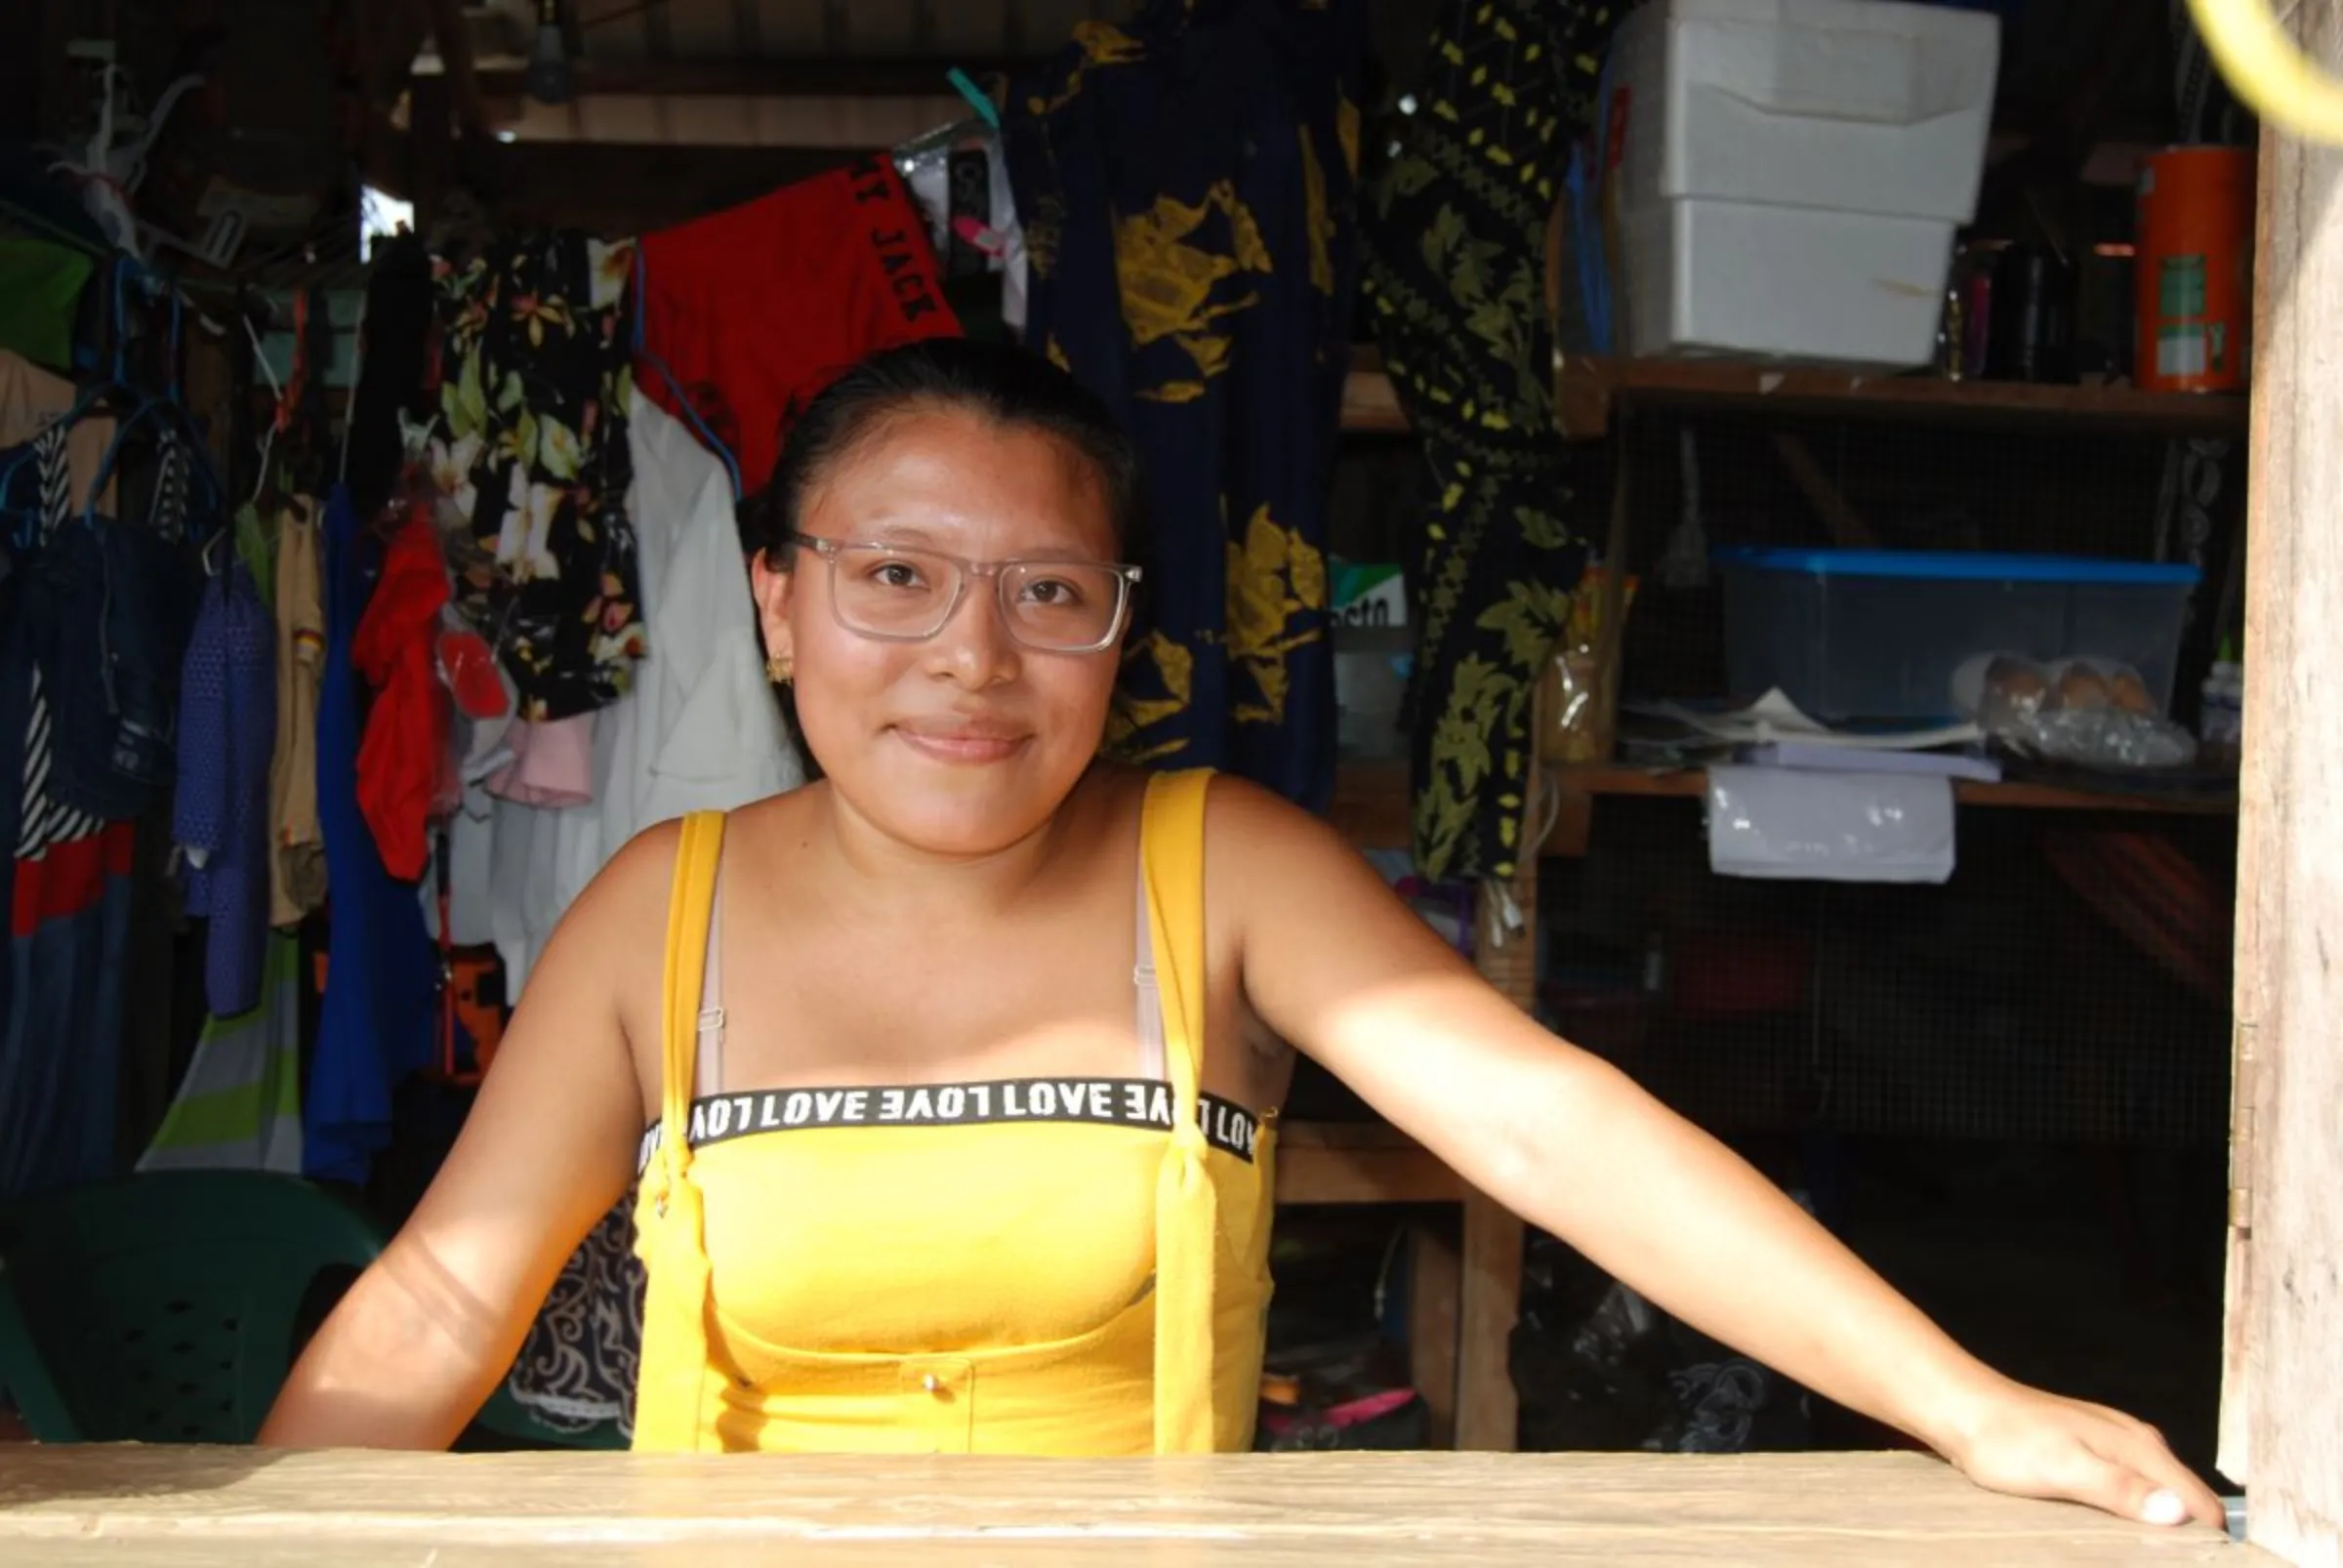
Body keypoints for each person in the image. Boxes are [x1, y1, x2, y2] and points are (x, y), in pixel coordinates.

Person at [261, 339, 2222, 1530]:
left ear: (1123, 623)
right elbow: (443, 1304)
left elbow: (1557, 1131)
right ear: (776, 604)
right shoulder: (654, 912)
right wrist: (254, 1533)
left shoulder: (1226, 870)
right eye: (894, 577)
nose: (970, 656)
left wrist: (1973, 1401)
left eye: (1048, 588)